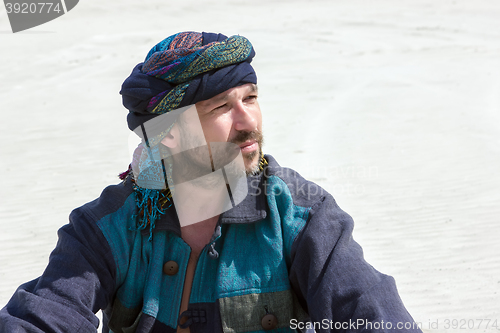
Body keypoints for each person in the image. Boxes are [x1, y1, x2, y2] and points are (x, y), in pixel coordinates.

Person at [0, 31, 422, 333]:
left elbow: (370, 311)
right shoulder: (109, 226)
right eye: (222, 105)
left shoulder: (299, 214)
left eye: (251, 97)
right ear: (168, 133)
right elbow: (44, 314)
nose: (248, 122)